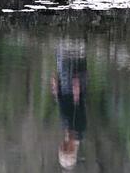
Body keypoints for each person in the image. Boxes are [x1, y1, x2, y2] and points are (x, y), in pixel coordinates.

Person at [51, 38, 87, 170]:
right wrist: (77, 93)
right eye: (65, 148)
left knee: (62, 53)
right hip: (74, 85)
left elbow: (62, 107)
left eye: (63, 147)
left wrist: (56, 91)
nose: (63, 144)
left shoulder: (68, 131)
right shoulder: (79, 130)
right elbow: (79, 105)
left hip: (66, 85)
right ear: (70, 149)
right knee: (73, 54)